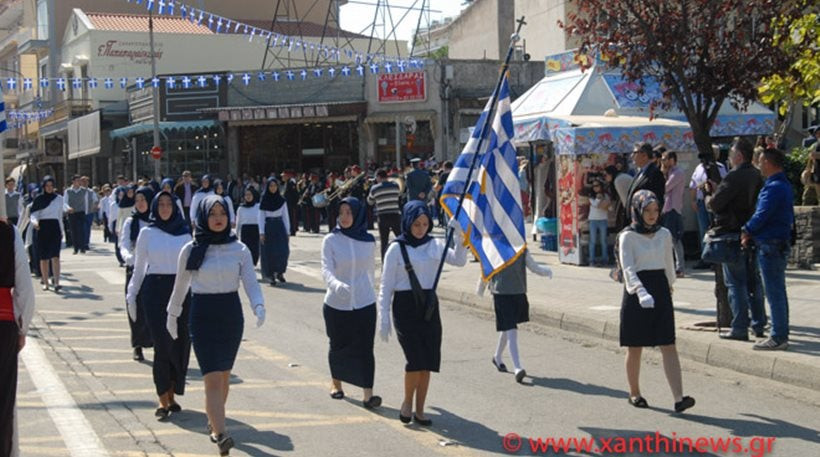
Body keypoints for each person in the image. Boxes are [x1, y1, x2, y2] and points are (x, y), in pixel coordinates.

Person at [166, 195, 265, 454]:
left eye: (222, 212)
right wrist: (172, 315)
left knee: (223, 377)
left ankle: (214, 421)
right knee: (211, 377)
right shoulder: (191, 249)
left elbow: (250, 283)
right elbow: (180, 287)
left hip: (231, 316)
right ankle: (222, 434)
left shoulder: (240, 249)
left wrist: (259, 305)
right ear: (202, 217)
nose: (218, 218)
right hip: (203, 315)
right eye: (212, 213)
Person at [377, 201, 467, 426]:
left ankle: (420, 409)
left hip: (428, 306)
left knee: (427, 360)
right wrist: (384, 317)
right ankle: (407, 401)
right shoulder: (396, 248)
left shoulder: (435, 244)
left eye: (425, 223)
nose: (421, 228)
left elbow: (459, 260)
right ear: (407, 222)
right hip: (405, 307)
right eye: (416, 224)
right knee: (414, 359)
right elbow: (385, 286)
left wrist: (458, 236)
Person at [618, 190, 694, 413]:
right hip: (636, 292)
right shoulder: (627, 236)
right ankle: (634, 392)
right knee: (635, 346)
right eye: (647, 211)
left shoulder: (664, 234)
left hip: (660, 288)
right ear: (637, 211)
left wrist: (670, 285)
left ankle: (679, 397)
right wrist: (640, 292)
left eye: (655, 210)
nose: (652, 215)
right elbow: (628, 268)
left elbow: (668, 262)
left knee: (668, 343)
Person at [126, 190, 193, 420]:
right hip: (154, 291)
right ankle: (162, 398)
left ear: (175, 207)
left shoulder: (185, 233)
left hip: (181, 290)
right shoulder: (147, 232)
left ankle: (173, 392)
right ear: (156, 207)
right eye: (161, 204)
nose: (165, 208)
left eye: (169, 204)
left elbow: (192, 269)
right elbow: (139, 267)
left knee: (180, 344)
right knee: (162, 345)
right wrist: (131, 293)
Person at [321, 197, 382, 408]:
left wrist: (376, 295)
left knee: (366, 347)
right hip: (337, 303)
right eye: (341, 212)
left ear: (358, 215)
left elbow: (371, 271)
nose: (344, 217)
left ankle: (368, 394)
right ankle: (336, 383)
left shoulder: (368, 241)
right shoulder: (331, 240)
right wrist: (336, 285)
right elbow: (326, 269)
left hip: (364, 301)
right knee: (338, 345)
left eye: (349, 212)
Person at [706, 138, 766, 342]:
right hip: (752, 232)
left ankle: (740, 326)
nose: (729, 159)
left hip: (732, 233)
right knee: (754, 281)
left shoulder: (734, 176)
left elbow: (715, 204)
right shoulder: (756, 175)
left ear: (738, 156)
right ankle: (758, 324)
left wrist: (710, 194)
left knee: (736, 283)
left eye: (731, 155)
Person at [742, 148, 794, 351]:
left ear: (771, 163)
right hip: (776, 243)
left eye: (762, 161)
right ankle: (780, 333)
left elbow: (762, 214)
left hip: (770, 244)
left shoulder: (774, 187)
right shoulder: (781, 184)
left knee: (774, 292)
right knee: (777, 291)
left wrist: (746, 229)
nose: (759, 164)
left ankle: (778, 336)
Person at [482, 247, 552, 383]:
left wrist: (545, 271)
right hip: (501, 293)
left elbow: (533, 266)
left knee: (507, 329)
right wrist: (480, 287)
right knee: (511, 330)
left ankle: (497, 357)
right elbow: (486, 269)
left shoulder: (522, 249)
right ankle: (517, 367)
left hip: (518, 292)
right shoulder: (495, 247)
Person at [0, 218, 35, 457]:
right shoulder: (8, 232)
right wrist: (22, 327)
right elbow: (24, 287)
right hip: (3, 323)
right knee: (3, 398)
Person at [119, 187, 156, 362]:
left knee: (154, 307)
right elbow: (124, 244)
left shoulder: (156, 221)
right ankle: (137, 345)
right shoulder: (130, 222)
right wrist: (129, 258)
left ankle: (156, 342)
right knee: (135, 306)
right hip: (134, 268)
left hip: (154, 269)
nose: (140, 203)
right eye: (138, 200)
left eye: (144, 200)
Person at [689, 148, 728, 269]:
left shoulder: (721, 168)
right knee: (703, 229)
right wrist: (693, 200)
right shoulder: (699, 168)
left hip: (715, 202)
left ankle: (714, 259)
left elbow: (724, 185)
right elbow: (693, 186)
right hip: (701, 202)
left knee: (714, 229)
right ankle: (705, 257)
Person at [30, 176, 64, 292]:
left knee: (55, 256)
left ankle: (57, 282)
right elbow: (34, 214)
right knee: (44, 257)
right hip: (43, 227)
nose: (49, 188)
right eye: (47, 186)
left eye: (51, 186)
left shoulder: (59, 198)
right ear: (43, 187)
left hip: (54, 227)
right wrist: (35, 223)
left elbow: (59, 216)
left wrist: (62, 230)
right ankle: (45, 282)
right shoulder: (39, 199)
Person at [258, 178, 291, 286]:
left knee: (283, 251)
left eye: (275, 186)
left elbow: (285, 216)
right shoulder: (264, 200)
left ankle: (280, 272)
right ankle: (270, 275)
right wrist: (261, 232)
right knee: (269, 252)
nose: (273, 188)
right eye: (271, 186)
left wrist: (288, 231)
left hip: (279, 226)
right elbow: (261, 217)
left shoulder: (281, 200)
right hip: (269, 227)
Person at [660, 151, 686, 277]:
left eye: (665, 159)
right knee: (667, 238)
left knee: (675, 239)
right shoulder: (669, 172)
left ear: (672, 160)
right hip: (666, 208)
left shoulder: (677, 173)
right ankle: (671, 265)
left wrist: (664, 173)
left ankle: (680, 267)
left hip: (673, 209)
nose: (663, 162)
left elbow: (665, 187)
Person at [367, 169, 402, 260]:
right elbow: (398, 196)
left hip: (382, 216)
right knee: (401, 238)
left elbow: (370, 202)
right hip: (395, 215)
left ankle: (385, 262)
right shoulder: (395, 186)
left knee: (384, 242)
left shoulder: (375, 188)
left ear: (378, 177)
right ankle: (404, 258)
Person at [626, 143, 666, 214]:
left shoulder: (655, 173)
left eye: (635, 153)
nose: (632, 156)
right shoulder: (639, 173)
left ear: (644, 155)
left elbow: (657, 199)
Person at [64, 175, 90, 254]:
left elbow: (86, 202)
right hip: (72, 213)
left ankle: (82, 247)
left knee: (82, 230)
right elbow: (65, 202)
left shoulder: (84, 191)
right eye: (77, 181)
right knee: (73, 230)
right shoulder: (68, 191)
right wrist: (68, 209)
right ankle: (75, 248)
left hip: (81, 212)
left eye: (79, 181)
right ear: (73, 181)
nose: (78, 182)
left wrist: (86, 212)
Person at [587, 179, 610, 266]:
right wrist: (598, 198)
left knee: (603, 241)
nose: (595, 188)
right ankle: (591, 260)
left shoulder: (606, 195)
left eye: (597, 186)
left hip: (603, 219)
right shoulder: (591, 196)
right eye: (594, 186)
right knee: (592, 241)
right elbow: (596, 205)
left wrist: (603, 203)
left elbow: (608, 205)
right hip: (593, 220)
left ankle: (605, 259)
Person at [236, 186, 261, 266]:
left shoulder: (258, 207)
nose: (248, 196)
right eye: (246, 195)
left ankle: (253, 263)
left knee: (255, 250)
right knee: (246, 249)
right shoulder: (241, 208)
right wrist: (237, 234)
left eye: (250, 194)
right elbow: (238, 222)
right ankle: (247, 265)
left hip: (255, 229)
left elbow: (261, 220)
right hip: (245, 230)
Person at [282, 171, 300, 236]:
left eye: (284, 176)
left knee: (292, 217)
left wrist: (295, 203)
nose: (282, 177)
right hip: (287, 203)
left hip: (291, 204)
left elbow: (295, 193)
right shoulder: (286, 183)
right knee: (288, 217)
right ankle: (289, 230)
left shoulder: (291, 183)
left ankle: (293, 230)